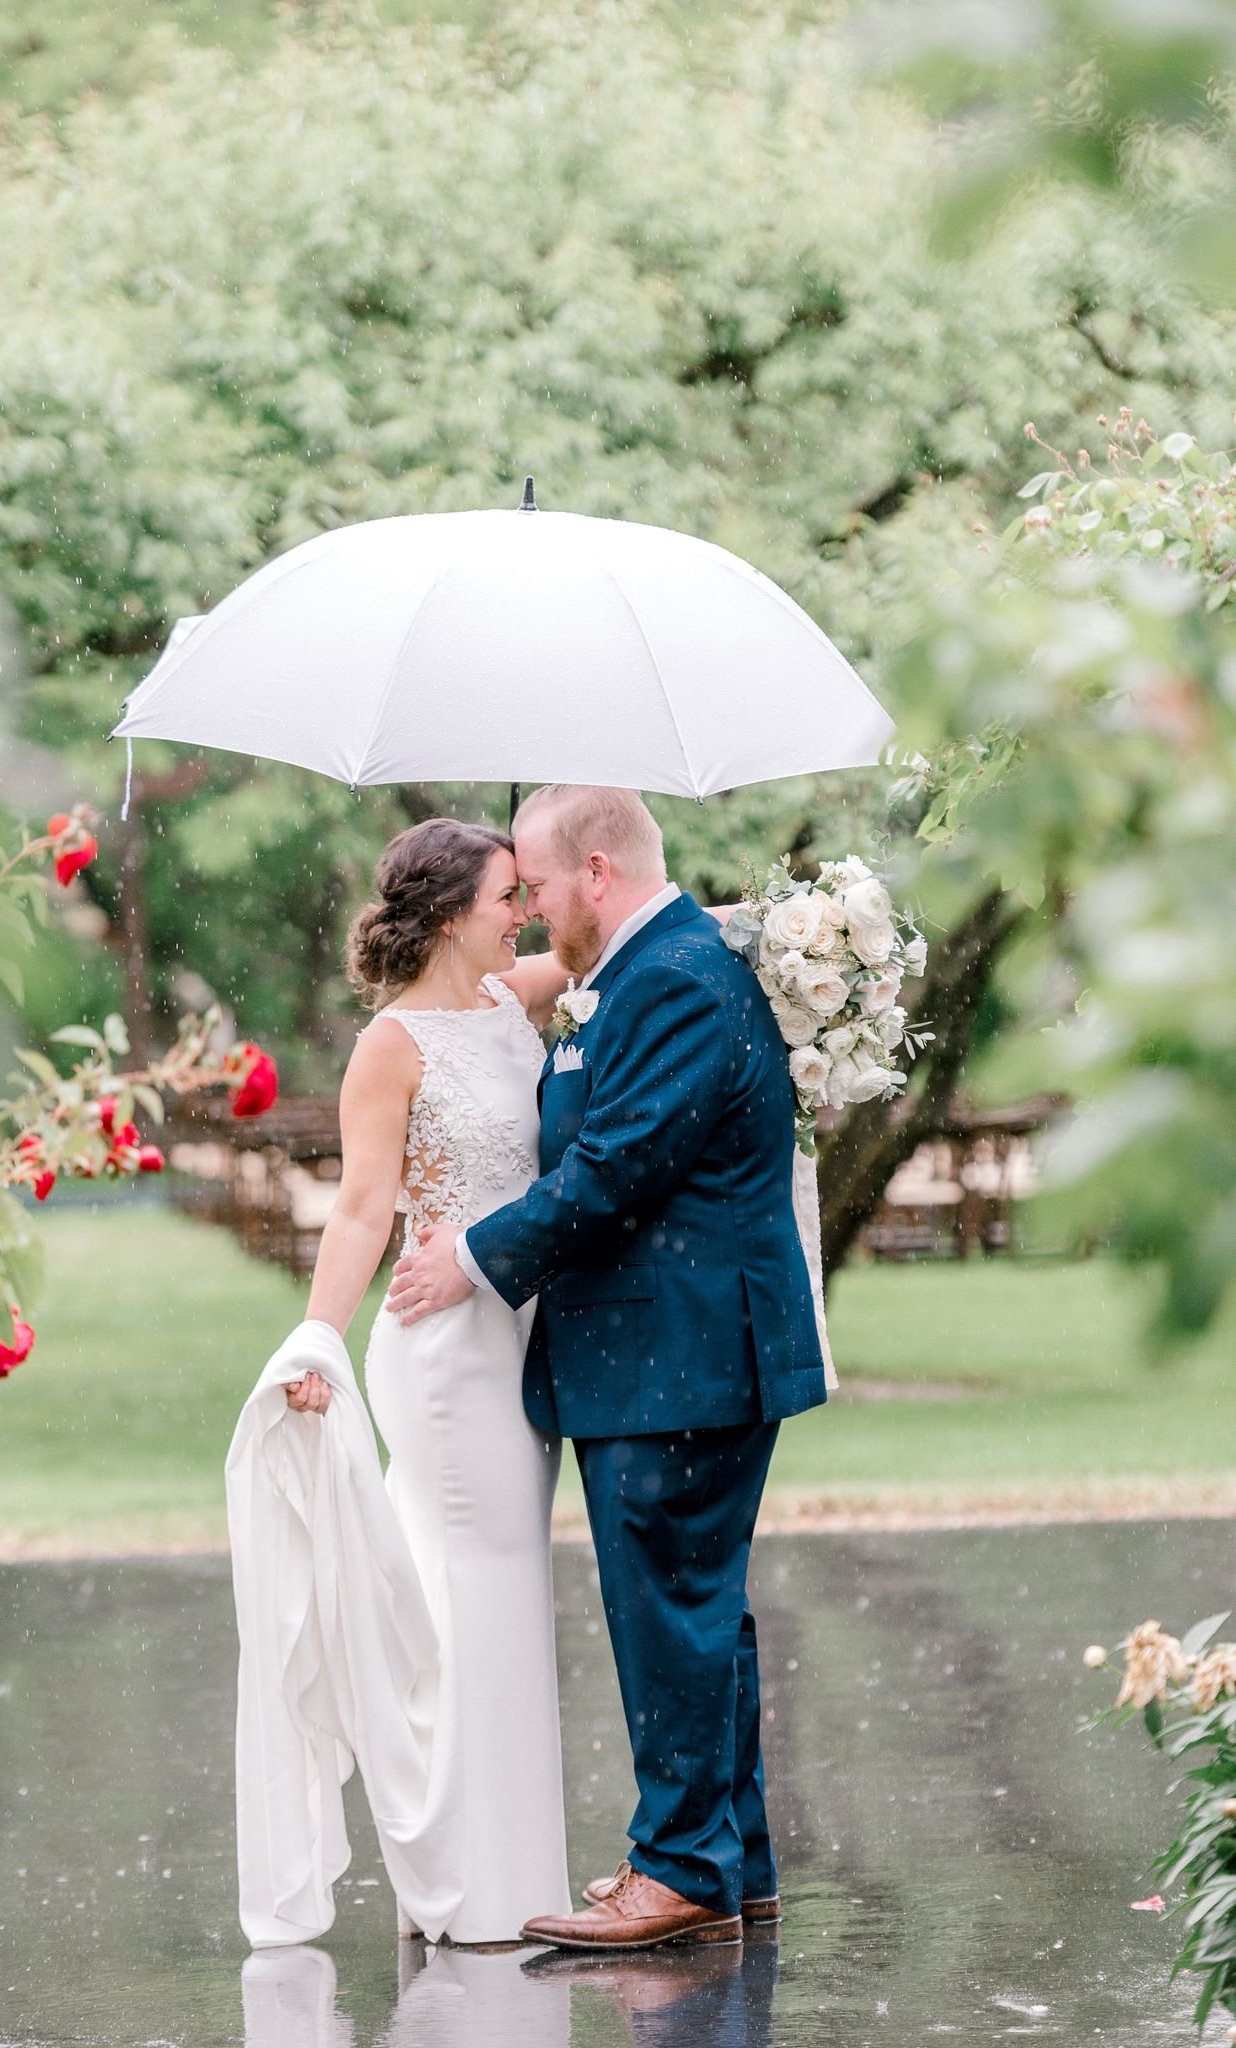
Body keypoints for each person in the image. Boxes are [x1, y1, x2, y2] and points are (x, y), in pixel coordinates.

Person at [387, 785, 827, 1952]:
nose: (528, 909)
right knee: (697, 1606)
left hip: (679, 1350)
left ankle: (677, 1867)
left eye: (533, 885)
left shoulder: (671, 978)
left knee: (668, 1605)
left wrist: (472, 1256)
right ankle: (731, 1857)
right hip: (668, 1348)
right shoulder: (649, 965)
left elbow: (614, 1168)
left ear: (595, 869)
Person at [269, 815, 575, 1946]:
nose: (526, 910)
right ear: (452, 914)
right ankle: (464, 1880)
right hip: (441, 1349)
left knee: (500, 1585)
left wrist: (770, 927)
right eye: (507, 895)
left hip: (517, 1335)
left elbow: (618, 943)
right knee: (467, 1588)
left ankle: (501, 1869)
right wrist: (316, 1341)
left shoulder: (510, 999)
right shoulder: (389, 1045)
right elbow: (359, 1207)